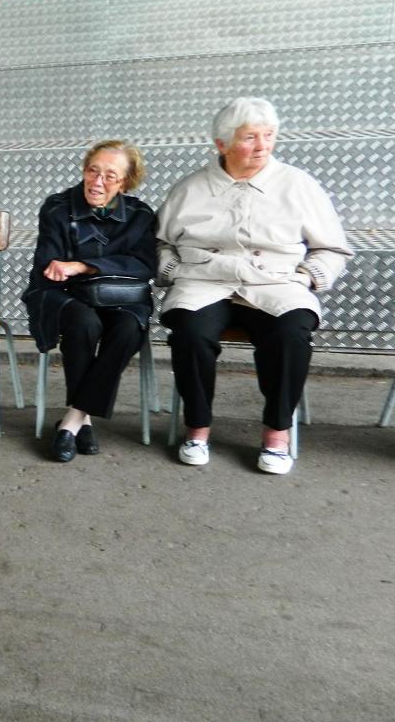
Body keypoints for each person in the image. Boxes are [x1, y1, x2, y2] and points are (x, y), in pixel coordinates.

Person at [156, 97, 352, 475]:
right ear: (222, 145)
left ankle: (277, 434)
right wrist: (174, 268)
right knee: (190, 335)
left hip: (276, 284)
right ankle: (197, 429)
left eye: (269, 135)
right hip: (204, 281)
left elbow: (332, 247)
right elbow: (161, 242)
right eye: (249, 137)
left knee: (291, 335)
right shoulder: (191, 187)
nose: (262, 145)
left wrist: (309, 276)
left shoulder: (298, 185)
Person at [23, 140, 157, 462]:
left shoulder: (140, 215)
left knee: (127, 329)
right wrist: (67, 270)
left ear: (125, 182)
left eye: (110, 176)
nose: (97, 182)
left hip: (120, 298)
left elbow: (145, 266)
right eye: (92, 171)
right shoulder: (57, 207)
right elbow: (50, 265)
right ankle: (81, 423)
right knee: (83, 321)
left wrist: (84, 266)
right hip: (64, 295)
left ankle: (72, 419)